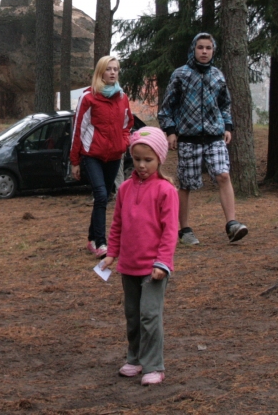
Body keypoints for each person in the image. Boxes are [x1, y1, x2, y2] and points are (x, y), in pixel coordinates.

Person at [99, 128, 179, 386]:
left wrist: (163, 263)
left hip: (153, 269)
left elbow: (170, 231)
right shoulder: (124, 189)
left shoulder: (166, 191)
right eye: (137, 159)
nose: (142, 165)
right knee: (132, 315)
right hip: (128, 266)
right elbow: (117, 224)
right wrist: (112, 254)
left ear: (159, 159)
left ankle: (154, 364)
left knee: (149, 315)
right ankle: (135, 358)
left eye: (148, 160)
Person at [158, 33, 248, 245]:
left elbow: (225, 104)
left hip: (215, 136)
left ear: (213, 50)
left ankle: (232, 224)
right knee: (186, 184)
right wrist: (170, 131)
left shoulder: (217, 75)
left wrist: (227, 126)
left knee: (223, 175)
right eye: (200, 47)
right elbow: (167, 108)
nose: (204, 51)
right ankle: (185, 229)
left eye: (208, 48)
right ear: (194, 49)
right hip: (189, 138)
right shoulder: (181, 75)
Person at [70, 55, 134, 258]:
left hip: (114, 155)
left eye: (116, 69)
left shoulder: (122, 97)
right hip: (93, 155)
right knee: (100, 195)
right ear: (100, 73)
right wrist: (75, 161)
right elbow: (78, 129)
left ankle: (91, 239)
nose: (113, 72)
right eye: (109, 69)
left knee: (104, 197)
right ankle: (101, 243)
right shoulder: (88, 98)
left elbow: (127, 124)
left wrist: (123, 143)